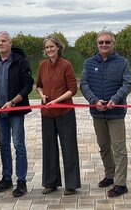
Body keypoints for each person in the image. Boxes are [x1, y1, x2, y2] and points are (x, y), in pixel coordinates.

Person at [80, 30, 131, 197]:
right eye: (100, 42)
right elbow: (84, 84)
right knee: (103, 147)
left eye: (107, 42)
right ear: (97, 44)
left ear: (113, 44)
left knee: (119, 149)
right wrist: (94, 100)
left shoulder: (122, 62)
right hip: (97, 112)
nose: (103, 45)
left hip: (115, 112)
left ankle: (121, 183)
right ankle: (110, 175)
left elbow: (127, 84)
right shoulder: (89, 63)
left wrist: (115, 100)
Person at [0, 31, 33, 197]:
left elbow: (28, 85)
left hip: (15, 110)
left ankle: (21, 181)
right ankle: (7, 178)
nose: (0, 44)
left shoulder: (20, 61)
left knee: (18, 145)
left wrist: (13, 102)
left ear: (10, 43)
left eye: (4, 41)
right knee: (3, 144)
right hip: (0, 112)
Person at [36, 35, 81, 195]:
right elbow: (39, 86)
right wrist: (42, 96)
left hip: (64, 112)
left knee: (68, 147)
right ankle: (51, 182)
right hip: (47, 112)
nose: (49, 50)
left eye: (52, 47)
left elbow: (73, 89)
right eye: (47, 47)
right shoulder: (42, 65)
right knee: (49, 148)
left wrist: (57, 100)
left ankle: (71, 184)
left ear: (58, 47)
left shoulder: (66, 65)